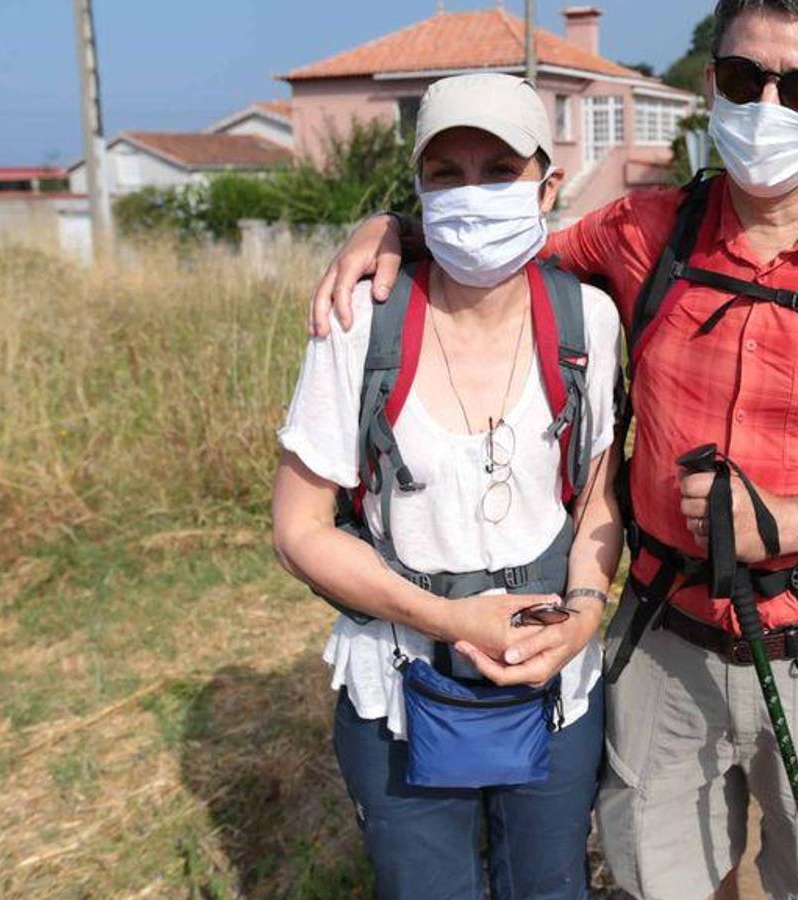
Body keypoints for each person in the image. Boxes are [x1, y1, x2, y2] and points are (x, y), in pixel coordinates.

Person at [309, 2, 798, 897]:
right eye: (746, 80)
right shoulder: (644, 231)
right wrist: (392, 228)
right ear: (713, 82)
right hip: (668, 641)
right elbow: (497, 243)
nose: (768, 108)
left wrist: (784, 522)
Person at [271, 73, 623, 900]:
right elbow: (298, 530)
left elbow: (599, 494)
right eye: (447, 173)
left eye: (498, 170)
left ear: (548, 184)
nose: (472, 195)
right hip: (399, 681)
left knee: (551, 887)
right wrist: (444, 618)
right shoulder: (361, 322)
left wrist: (583, 617)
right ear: (419, 186)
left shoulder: (587, 322)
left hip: (555, 688)